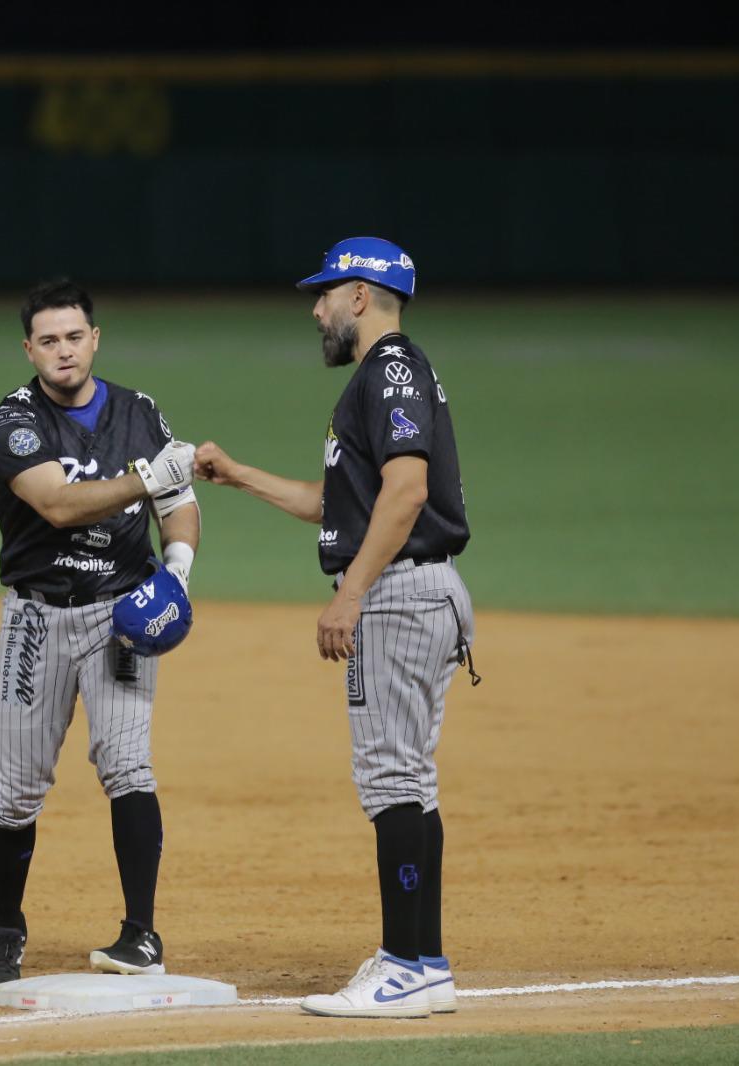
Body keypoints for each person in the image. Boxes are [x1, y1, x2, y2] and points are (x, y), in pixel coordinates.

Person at [194, 237, 476, 1019]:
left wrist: (349, 594)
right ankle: (424, 961)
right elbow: (338, 504)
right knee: (410, 780)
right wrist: (240, 474)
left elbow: (407, 492)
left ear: (360, 295)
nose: (315, 308)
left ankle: (404, 966)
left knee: (391, 780)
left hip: (397, 595)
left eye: (324, 293)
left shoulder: (386, 371)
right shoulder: (387, 378)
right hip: (421, 590)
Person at [0, 279, 200, 990]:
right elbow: (59, 504)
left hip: (120, 613)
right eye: (49, 340)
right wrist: (147, 477)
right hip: (35, 617)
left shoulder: (139, 411)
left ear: (94, 339)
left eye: (75, 336)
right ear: (29, 349)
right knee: (14, 789)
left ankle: (142, 934)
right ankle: (8, 929)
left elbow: (180, 502)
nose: (63, 350)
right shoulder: (12, 421)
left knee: (128, 766)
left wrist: (179, 572)